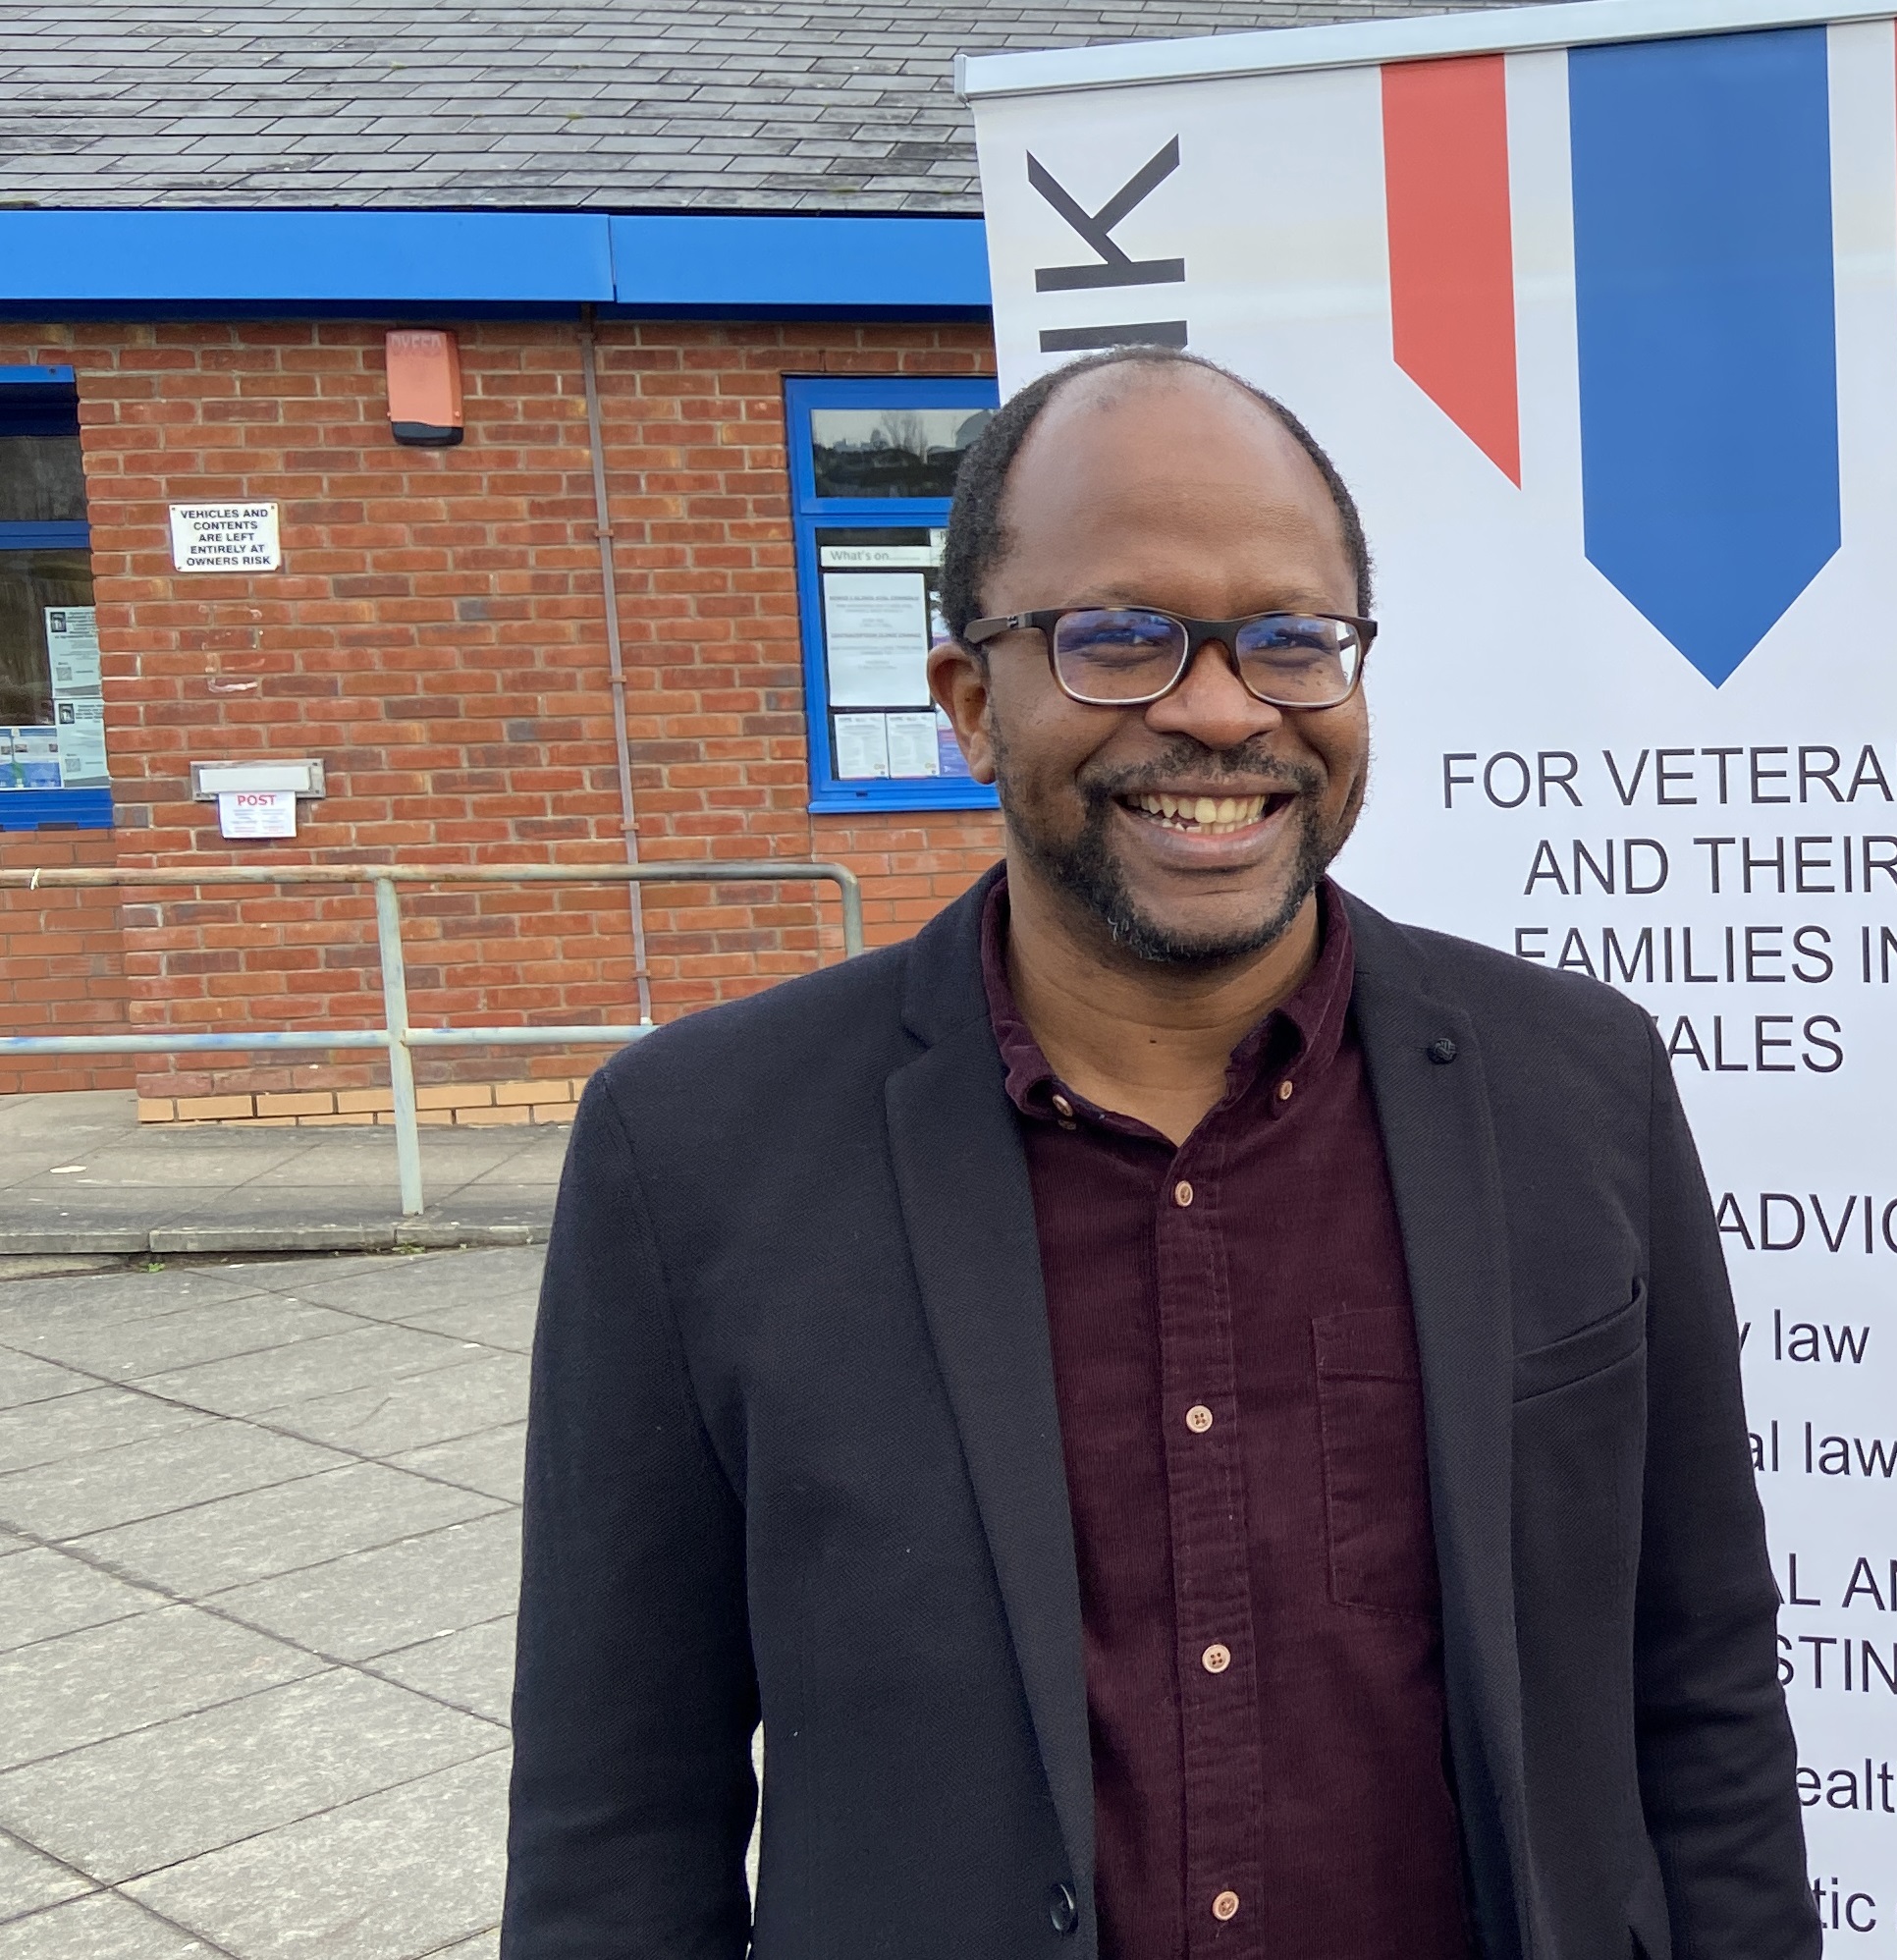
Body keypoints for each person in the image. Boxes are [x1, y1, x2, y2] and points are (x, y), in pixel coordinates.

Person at [506, 345, 1817, 1960]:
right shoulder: (693, 1147)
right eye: (1118, 639)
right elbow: (619, 1797)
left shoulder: (1578, 1085)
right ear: (973, 703)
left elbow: (1698, 1687)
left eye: (1289, 639)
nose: (1220, 710)